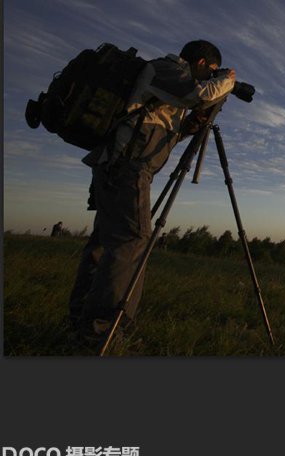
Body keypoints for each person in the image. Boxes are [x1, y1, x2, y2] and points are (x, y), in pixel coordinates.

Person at [68, 40, 236, 347]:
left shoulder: (167, 89)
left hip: (119, 167)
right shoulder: (166, 68)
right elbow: (198, 95)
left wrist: (194, 124)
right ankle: (102, 331)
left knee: (104, 244)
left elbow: (165, 135)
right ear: (200, 63)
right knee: (131, 243)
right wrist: (227, 79)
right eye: (209, 71)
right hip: (127, 169)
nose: (209, 77)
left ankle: (81, 321)